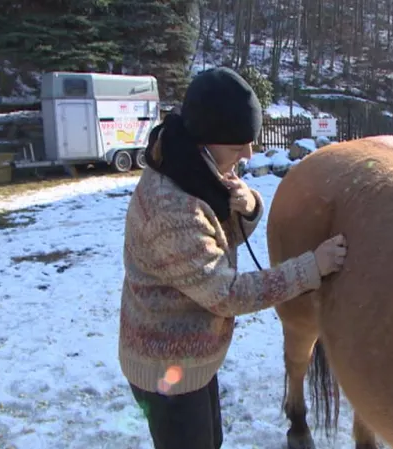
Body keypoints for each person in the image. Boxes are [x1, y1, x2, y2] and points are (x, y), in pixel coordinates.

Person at [119, 67, 347, 449]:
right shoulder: (172, 208)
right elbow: (227, 294)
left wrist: (247, 205)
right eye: (238, 144)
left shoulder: (190, 170)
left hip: (189, 356)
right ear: (204, 141)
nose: (249, 154)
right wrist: (313, 267)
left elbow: (216, 242)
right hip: (166, 370)